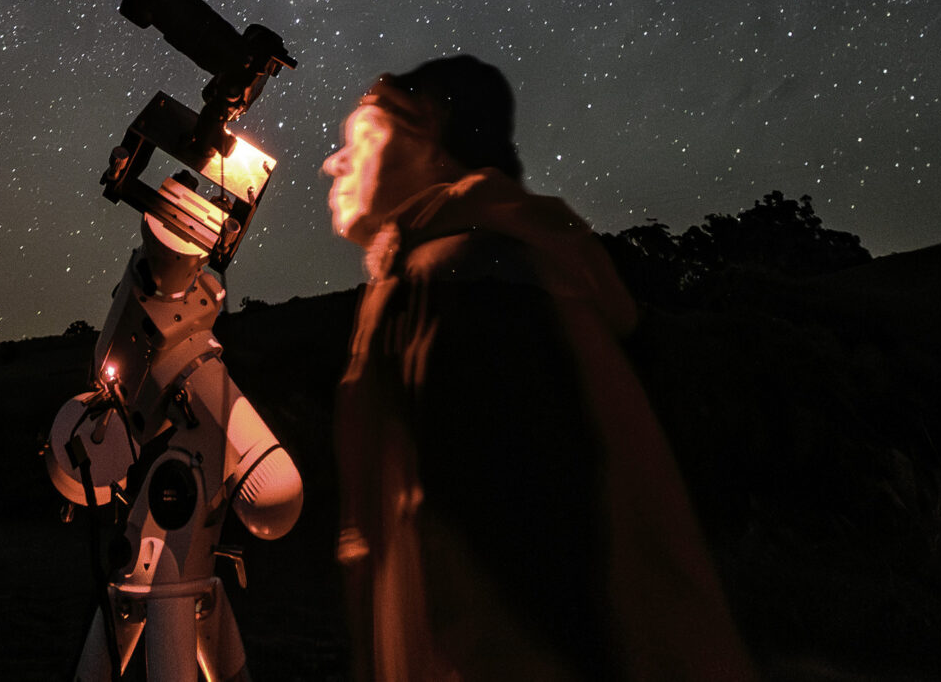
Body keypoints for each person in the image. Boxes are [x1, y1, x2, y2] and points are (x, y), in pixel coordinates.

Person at [325, 57, 759, 682]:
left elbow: (515, 558)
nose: (334, 162)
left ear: (431, 144)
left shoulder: (462, 275)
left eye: (362, 137)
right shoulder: (452, 270)